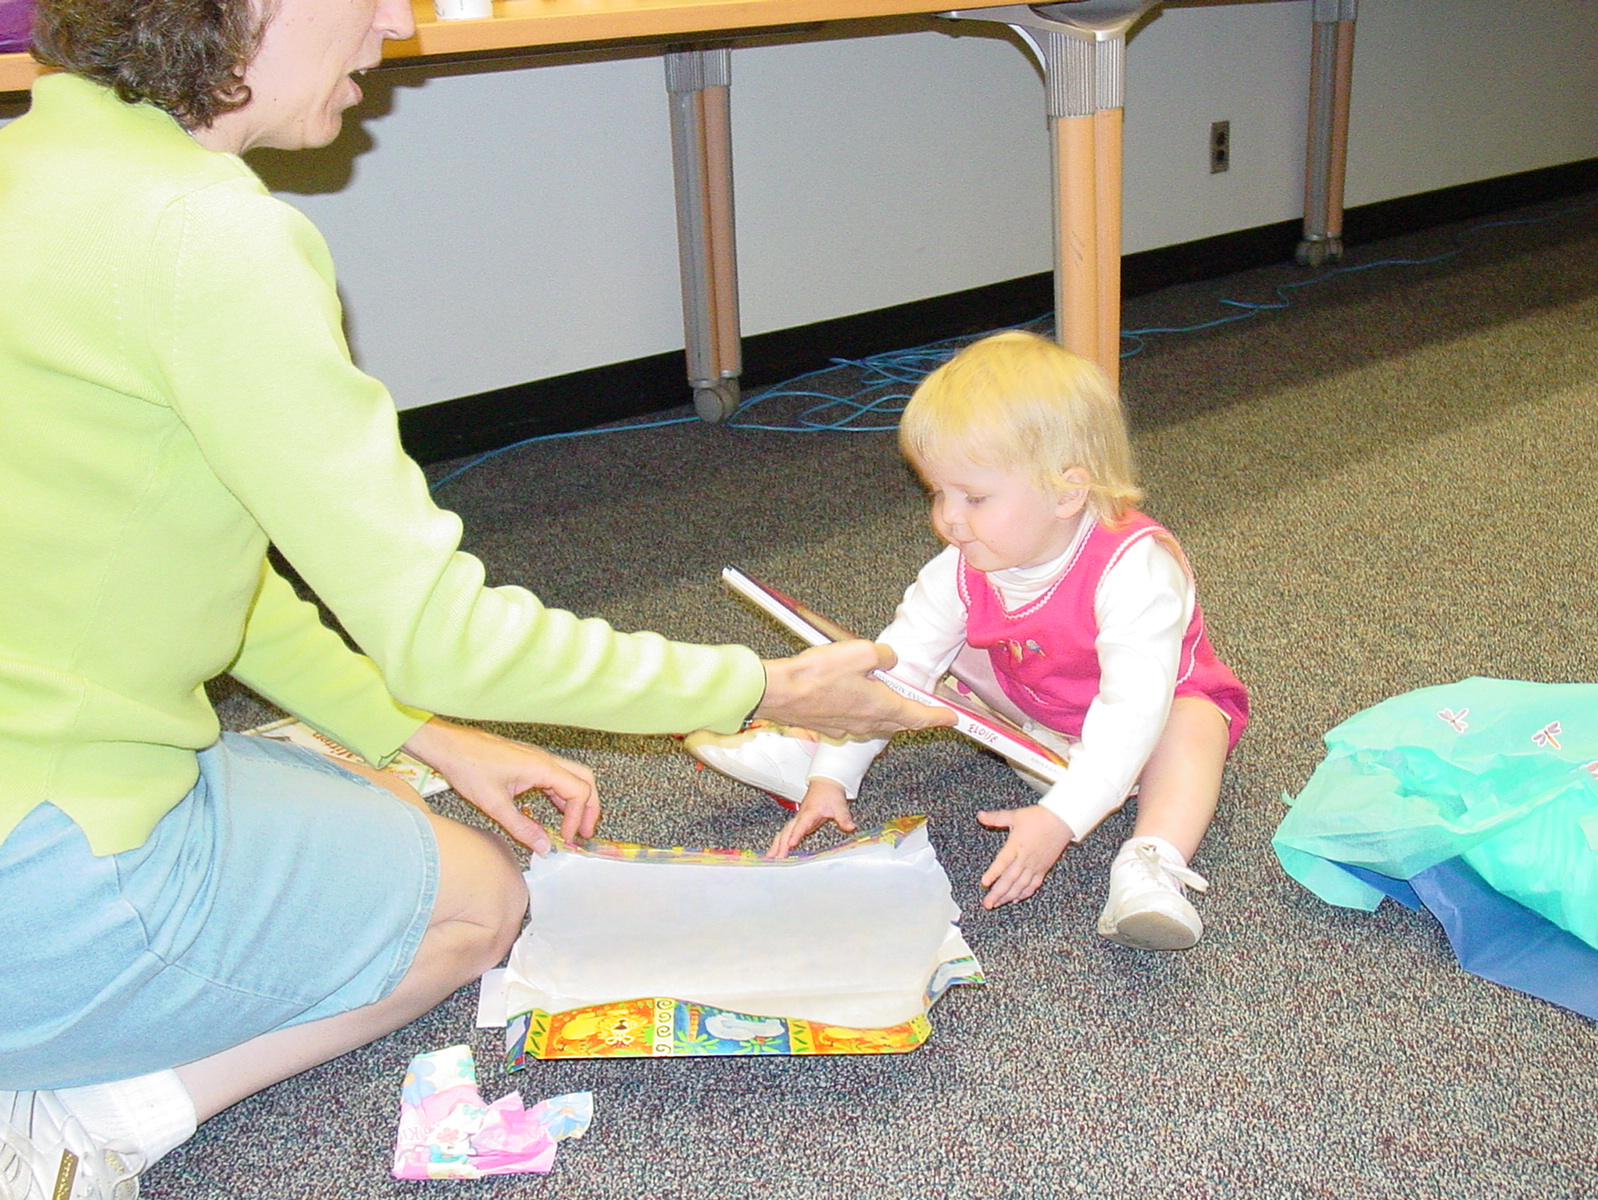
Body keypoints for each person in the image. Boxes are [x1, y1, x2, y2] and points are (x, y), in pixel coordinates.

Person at [0, 2, 951, 1196]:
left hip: (37, 777)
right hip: (46, 881)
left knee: (379, 790)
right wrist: (769, 687)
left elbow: (194, 568)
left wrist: (431, 737)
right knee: (480, 907)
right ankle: (93, 1114)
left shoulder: (33, 153)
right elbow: (443, 635)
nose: (394, 23)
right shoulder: (209, 239)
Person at [687, 331, 1249, 945]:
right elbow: (900, 670)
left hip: (1143, 736)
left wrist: (1061, 818)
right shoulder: (963, 564)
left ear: (1068, 492)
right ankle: (816, 746)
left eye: (974, 497)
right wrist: (833, 775)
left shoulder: (1136, 569)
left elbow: (1131, 713)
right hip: (1039, 721)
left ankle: (1151, 864)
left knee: (1196, 722)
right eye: (939, 493)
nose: (949, 518)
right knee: (916, 652)